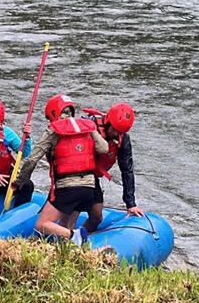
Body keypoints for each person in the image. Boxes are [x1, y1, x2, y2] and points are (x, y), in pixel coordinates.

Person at [11, 94, 109, 244]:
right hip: (89, 187)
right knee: (65, 226)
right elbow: (104, 148)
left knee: (42, 225)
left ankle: (76, 236)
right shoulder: (86, 126)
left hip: (67, 188)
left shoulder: (53, 130)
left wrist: (20, 182)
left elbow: (31, 160)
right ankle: (69, 250)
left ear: (53, 114)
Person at [82, 102, 145, 235]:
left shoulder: (123, 140)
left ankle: (78, 238)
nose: (117, 134)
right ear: (108, 122)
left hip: (91, 176)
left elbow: (127, 170)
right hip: (74, 173)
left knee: (97, 217)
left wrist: (131, 204)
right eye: (115, 130)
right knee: (72, 208)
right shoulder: (88, 126)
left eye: (121, 132)